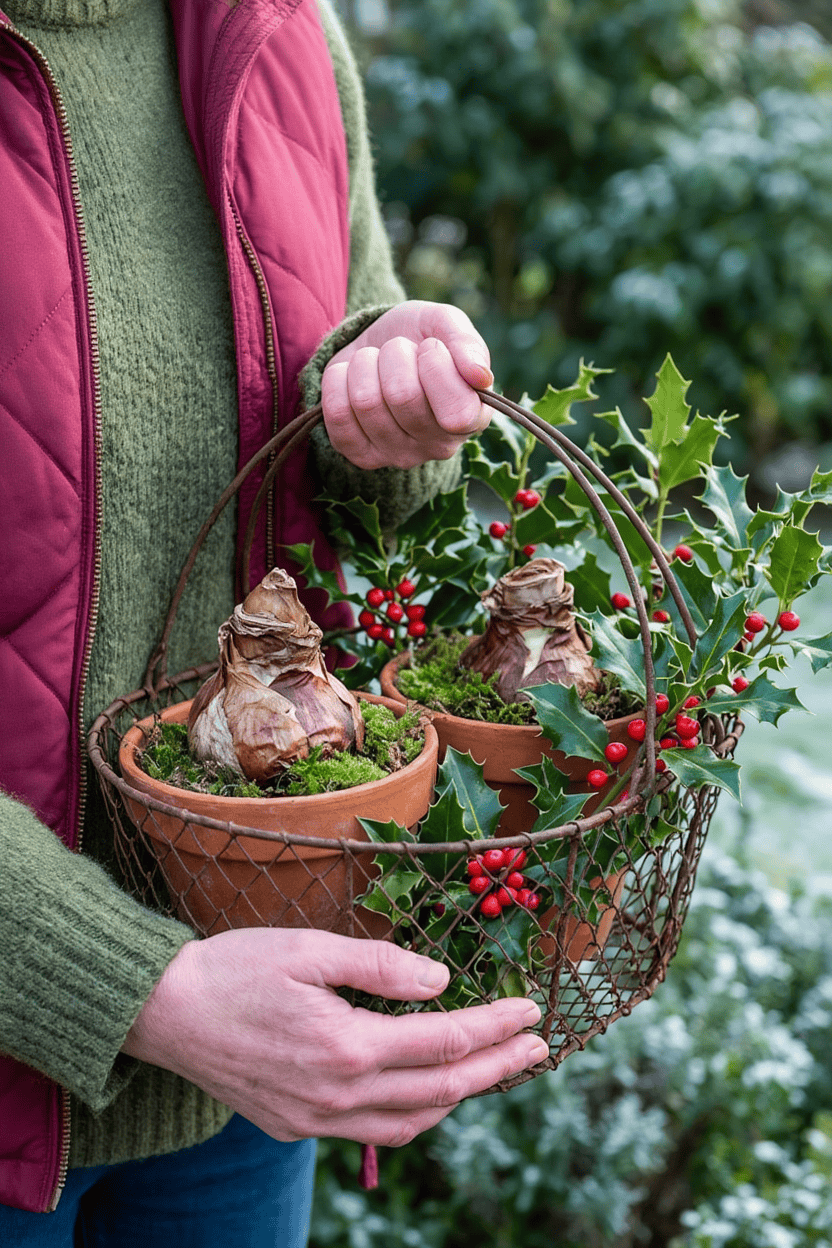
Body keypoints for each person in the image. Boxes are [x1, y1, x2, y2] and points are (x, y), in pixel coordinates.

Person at [0, 0, 549, 1241]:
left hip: (239, 1087)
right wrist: (134, 985)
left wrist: (392, 406)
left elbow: (336, 447)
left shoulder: (269, 26)